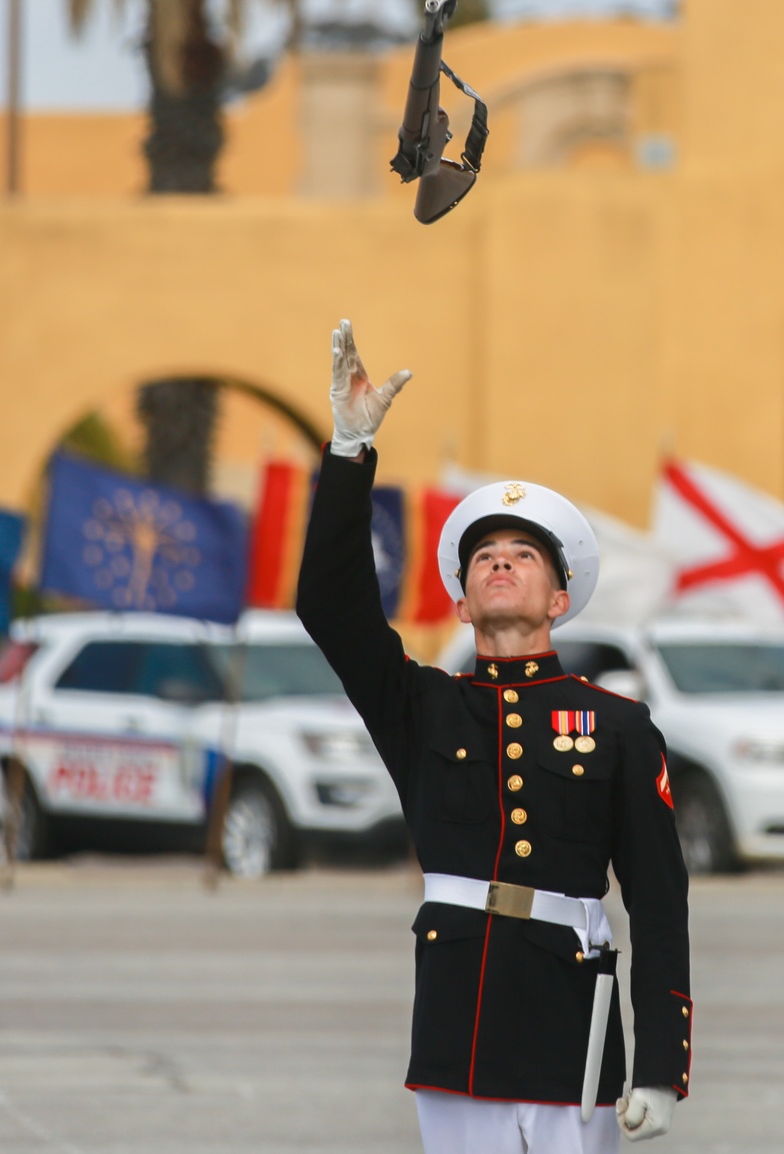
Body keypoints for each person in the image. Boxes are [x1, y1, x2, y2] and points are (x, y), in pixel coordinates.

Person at [296, 320, 692, 1154]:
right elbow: (331, 607)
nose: (500, 564)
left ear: (559, 598)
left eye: (522, 555)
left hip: (570, 1033)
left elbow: (657, 903)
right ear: (464, 601)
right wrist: (347, 451)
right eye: (483, 558)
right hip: (457, 1034)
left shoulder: (619, 726)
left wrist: (659, 1064)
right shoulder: (424, 709)